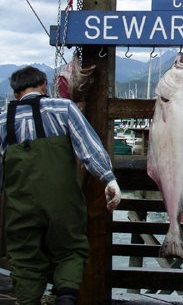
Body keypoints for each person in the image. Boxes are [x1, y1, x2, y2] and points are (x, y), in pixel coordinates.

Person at [0, 66, 122, 305]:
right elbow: (89, 149)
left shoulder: (4, 120)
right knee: (70, 251)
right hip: (63, 204)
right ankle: (65, 298)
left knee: (25, 259)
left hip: (20, 206)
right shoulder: (63, 108)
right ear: (44, 85)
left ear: (16, 93)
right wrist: (109, 178)